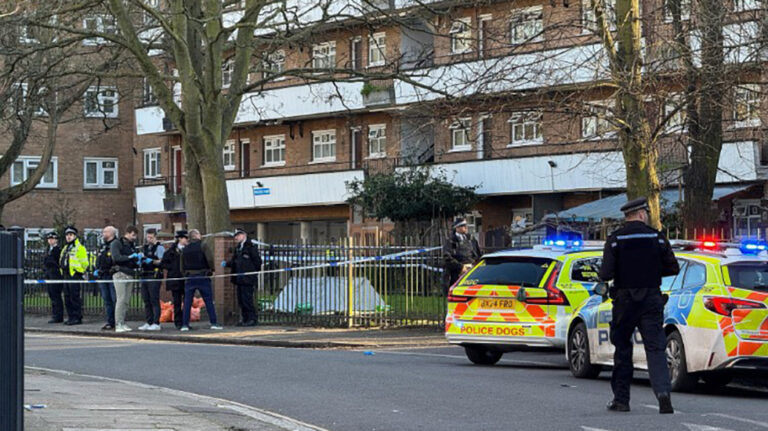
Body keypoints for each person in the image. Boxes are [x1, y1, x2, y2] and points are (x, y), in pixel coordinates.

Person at [599, 197, 680, 414]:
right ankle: (663, 394)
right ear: (642, 214)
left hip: (624, 301)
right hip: (652, 299)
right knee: (655, 348)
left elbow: (605, 274)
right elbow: (674, 268)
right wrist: (652, 270)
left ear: (628, 216)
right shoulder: (658, 238)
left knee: (623, 348)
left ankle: (621, 400)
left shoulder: (615, 240)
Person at [181, 229, 222, 331]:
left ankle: (185, 324)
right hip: (202, 275)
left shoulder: (185, 249)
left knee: (187, 302)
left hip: (190, 277)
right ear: (197, 236)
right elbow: (209, 259)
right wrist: (212, 270)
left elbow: (181, 265)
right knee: (208, 300)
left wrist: (185, 274)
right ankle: (213, 323)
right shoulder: (203, 245)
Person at [222, 229, 261, 326]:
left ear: (244, 235)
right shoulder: (238, 248)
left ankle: (252, 319)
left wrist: (251, 273)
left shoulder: (251, 247)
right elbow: (235, 262)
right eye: (235, 236)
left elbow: (257, 262)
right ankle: (245, 319)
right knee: (241, 300)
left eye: (238, 235)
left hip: (247, 278)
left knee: (247, 299)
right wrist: (227, 264)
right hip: (239, 279)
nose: (236, 238)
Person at [111, 225, 142, 333]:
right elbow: (116, 258)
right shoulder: (117, 243)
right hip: (120, 273)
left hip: (130, 273)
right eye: (133, 235)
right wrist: (129, 257)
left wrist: (137, 261)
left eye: (135, 236)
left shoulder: (131, 245)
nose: (134, 238)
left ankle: (123, 322)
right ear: (127, 233)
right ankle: (118, 323)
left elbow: (132, 261)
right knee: (121, 299)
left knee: (126, 300)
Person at [443, 218, 482, 291]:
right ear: (457, 228)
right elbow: (447, 257)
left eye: (465, 225)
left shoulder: (471, 239)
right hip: (456, 273)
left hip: (472, 270)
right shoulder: (451, 241)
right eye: (463, 225)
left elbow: (478, 254)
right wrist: (461, 267)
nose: (466, 227)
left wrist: (474, 265)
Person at [161, 230, 189, 330]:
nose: (187, 240)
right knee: (177, 302)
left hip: (186, 279)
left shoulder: (188, 250)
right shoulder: (171, 252)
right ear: (180, 239)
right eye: (186, 238)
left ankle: (186, 321)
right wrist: (172, 267)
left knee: (187, 302)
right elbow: (163, 263)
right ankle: (178, 322)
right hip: (175, 280)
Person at [139, 228, 165, 331]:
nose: (149, 239)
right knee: (146, 299)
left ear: (155, 237)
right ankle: (148, 321)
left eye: (151, 237)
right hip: (144, 275)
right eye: (147, 237)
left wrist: (152, 261)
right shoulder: (144, 248)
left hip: (154, 275)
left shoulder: (159, 248)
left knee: (154, 299)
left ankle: (156, 322)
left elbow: (161, 261)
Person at [59, 226, 86, 325]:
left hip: (74, 274)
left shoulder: (80, 247)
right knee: (67, 297)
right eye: (67, 235)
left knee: (74, 297)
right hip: (66, 274)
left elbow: (85, 263)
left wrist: (79, 271)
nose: (68, 237)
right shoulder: (66, 248)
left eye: (70, 235)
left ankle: (77, 317)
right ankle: (71, 317)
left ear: (75, 236)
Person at [94, 226, 118, 331]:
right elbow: (99, 259)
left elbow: (114, 260)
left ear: (111, 233)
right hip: (103, 276)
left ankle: (118, 321)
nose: (103, 234)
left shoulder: (116, 244)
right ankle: (110, 321)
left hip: (112, 275)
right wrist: (97, 268)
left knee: (115, 300)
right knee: (107, 300)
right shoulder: (103, 246)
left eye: (105, 232)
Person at [43, 231, 64, 324]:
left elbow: (56, 263)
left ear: (56, 240)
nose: (50, 241)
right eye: (49, 239)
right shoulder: (48, 250)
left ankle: (58, 316)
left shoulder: (58, 250)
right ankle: (55, 314)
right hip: (49, 275)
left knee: (56, 296)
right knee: (52, 295)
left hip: (55, 275)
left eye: (52, 239)